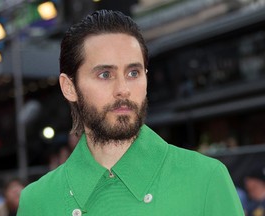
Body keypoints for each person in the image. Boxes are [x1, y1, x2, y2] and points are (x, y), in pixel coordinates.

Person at [17, 10, 244, 215]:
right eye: (105, 75)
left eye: (133, 73)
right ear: (69, 87)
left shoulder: (205, 179)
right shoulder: (37, 202)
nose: (123, 89)